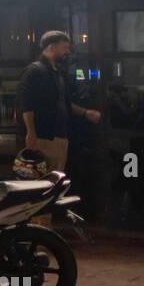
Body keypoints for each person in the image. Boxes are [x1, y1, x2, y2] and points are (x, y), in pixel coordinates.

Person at [18, 29, 101, 187]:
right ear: (52, 47)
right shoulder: (35, 71)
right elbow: (26, 103)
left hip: (58, 136)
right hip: (44, 137)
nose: (67, 52)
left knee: (52, 184)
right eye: (64, 48)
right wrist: (31, 133)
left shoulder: (57, 73)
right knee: (39, 184)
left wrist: (85, 113)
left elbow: (64, 103)